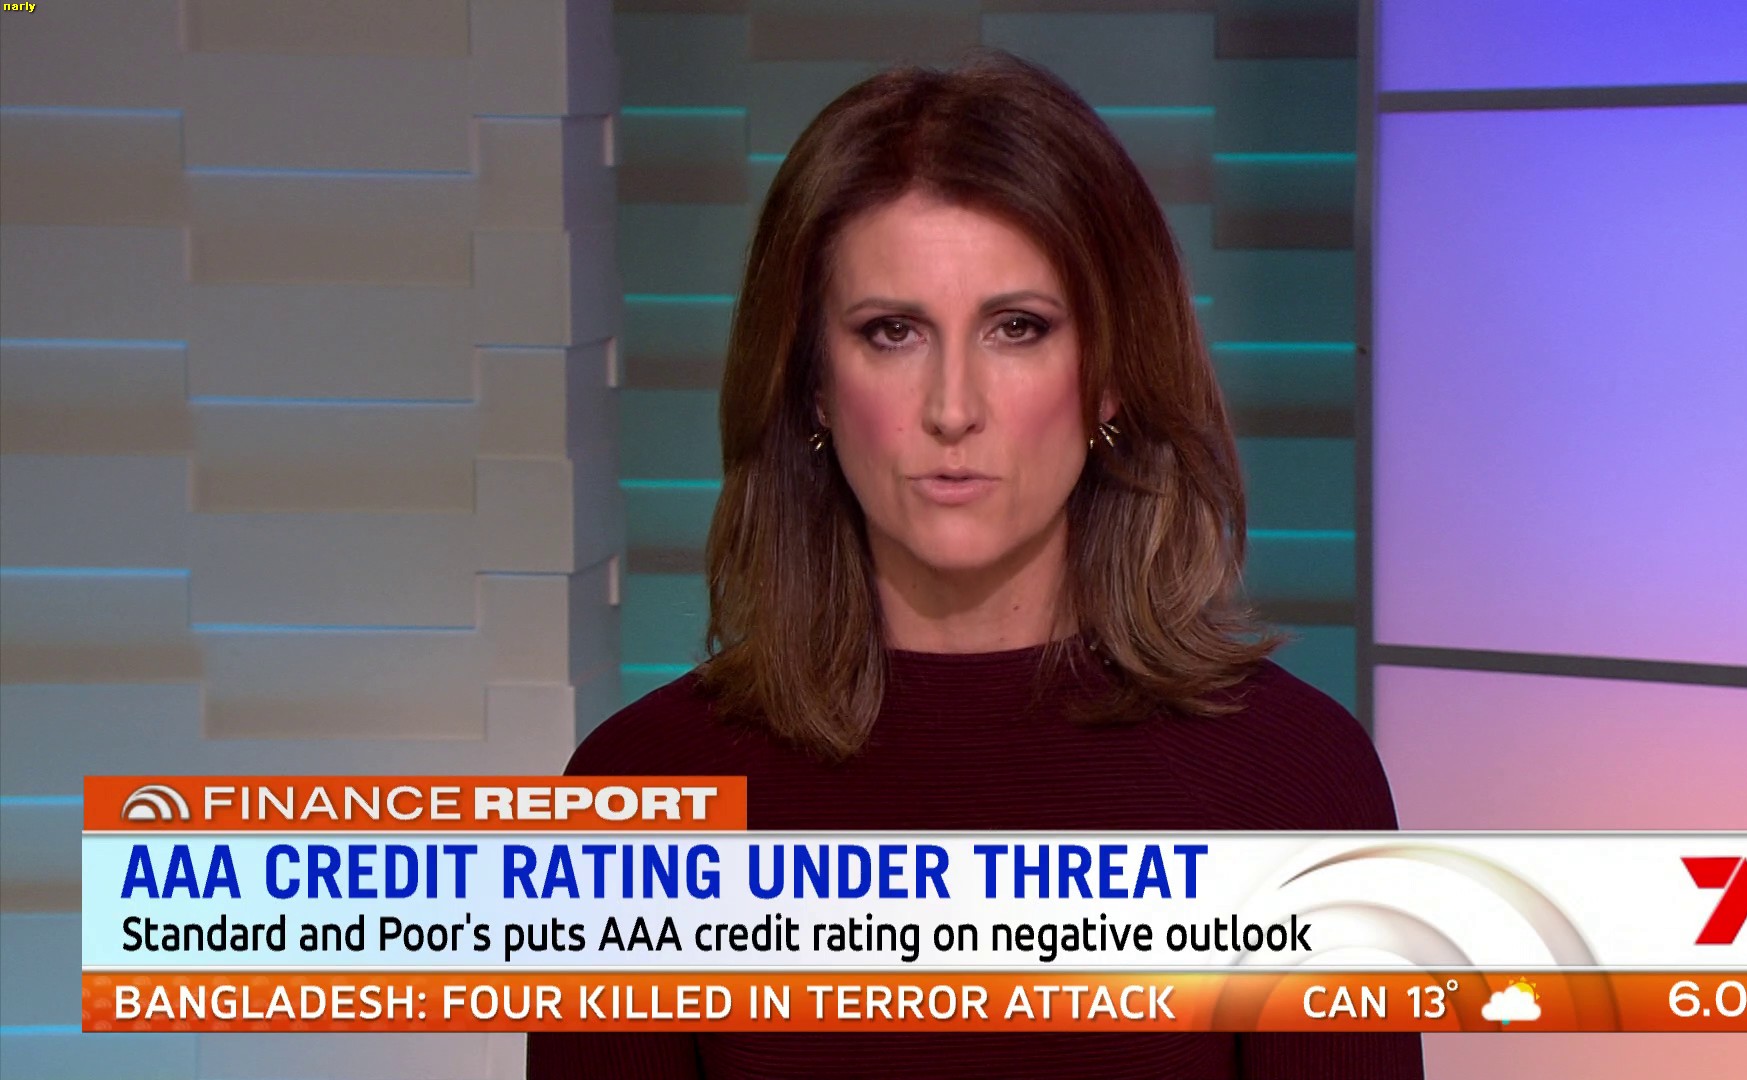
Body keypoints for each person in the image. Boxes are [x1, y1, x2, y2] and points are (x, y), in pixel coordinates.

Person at [529, 49, 1422, 1080]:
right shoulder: (642, 791)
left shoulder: (1295, 779)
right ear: (813, 385)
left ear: (1111, 375)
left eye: (1017, 328)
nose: (953, 409)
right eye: (892, 332)